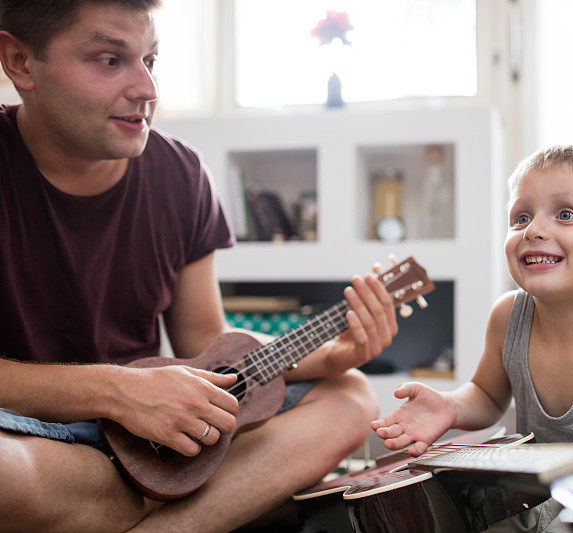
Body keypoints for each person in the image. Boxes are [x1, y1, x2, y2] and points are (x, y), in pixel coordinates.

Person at [0, 1, 398, 531]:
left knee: (348, 395)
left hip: (154, 441)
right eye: (109, 60)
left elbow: (205, 345)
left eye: (151, 60)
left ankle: (133, 514)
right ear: (20, 62)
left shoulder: (181, 174)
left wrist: (324, 359)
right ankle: (179, 504)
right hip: (27, 434)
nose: (147, 89)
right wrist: (118, 391)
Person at [371, 145, 573, 531]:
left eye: (565, 214)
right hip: (545, 500)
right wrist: (449, 407)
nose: (534, 230)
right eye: (521, 217)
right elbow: (486, 394)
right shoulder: (507, 316)